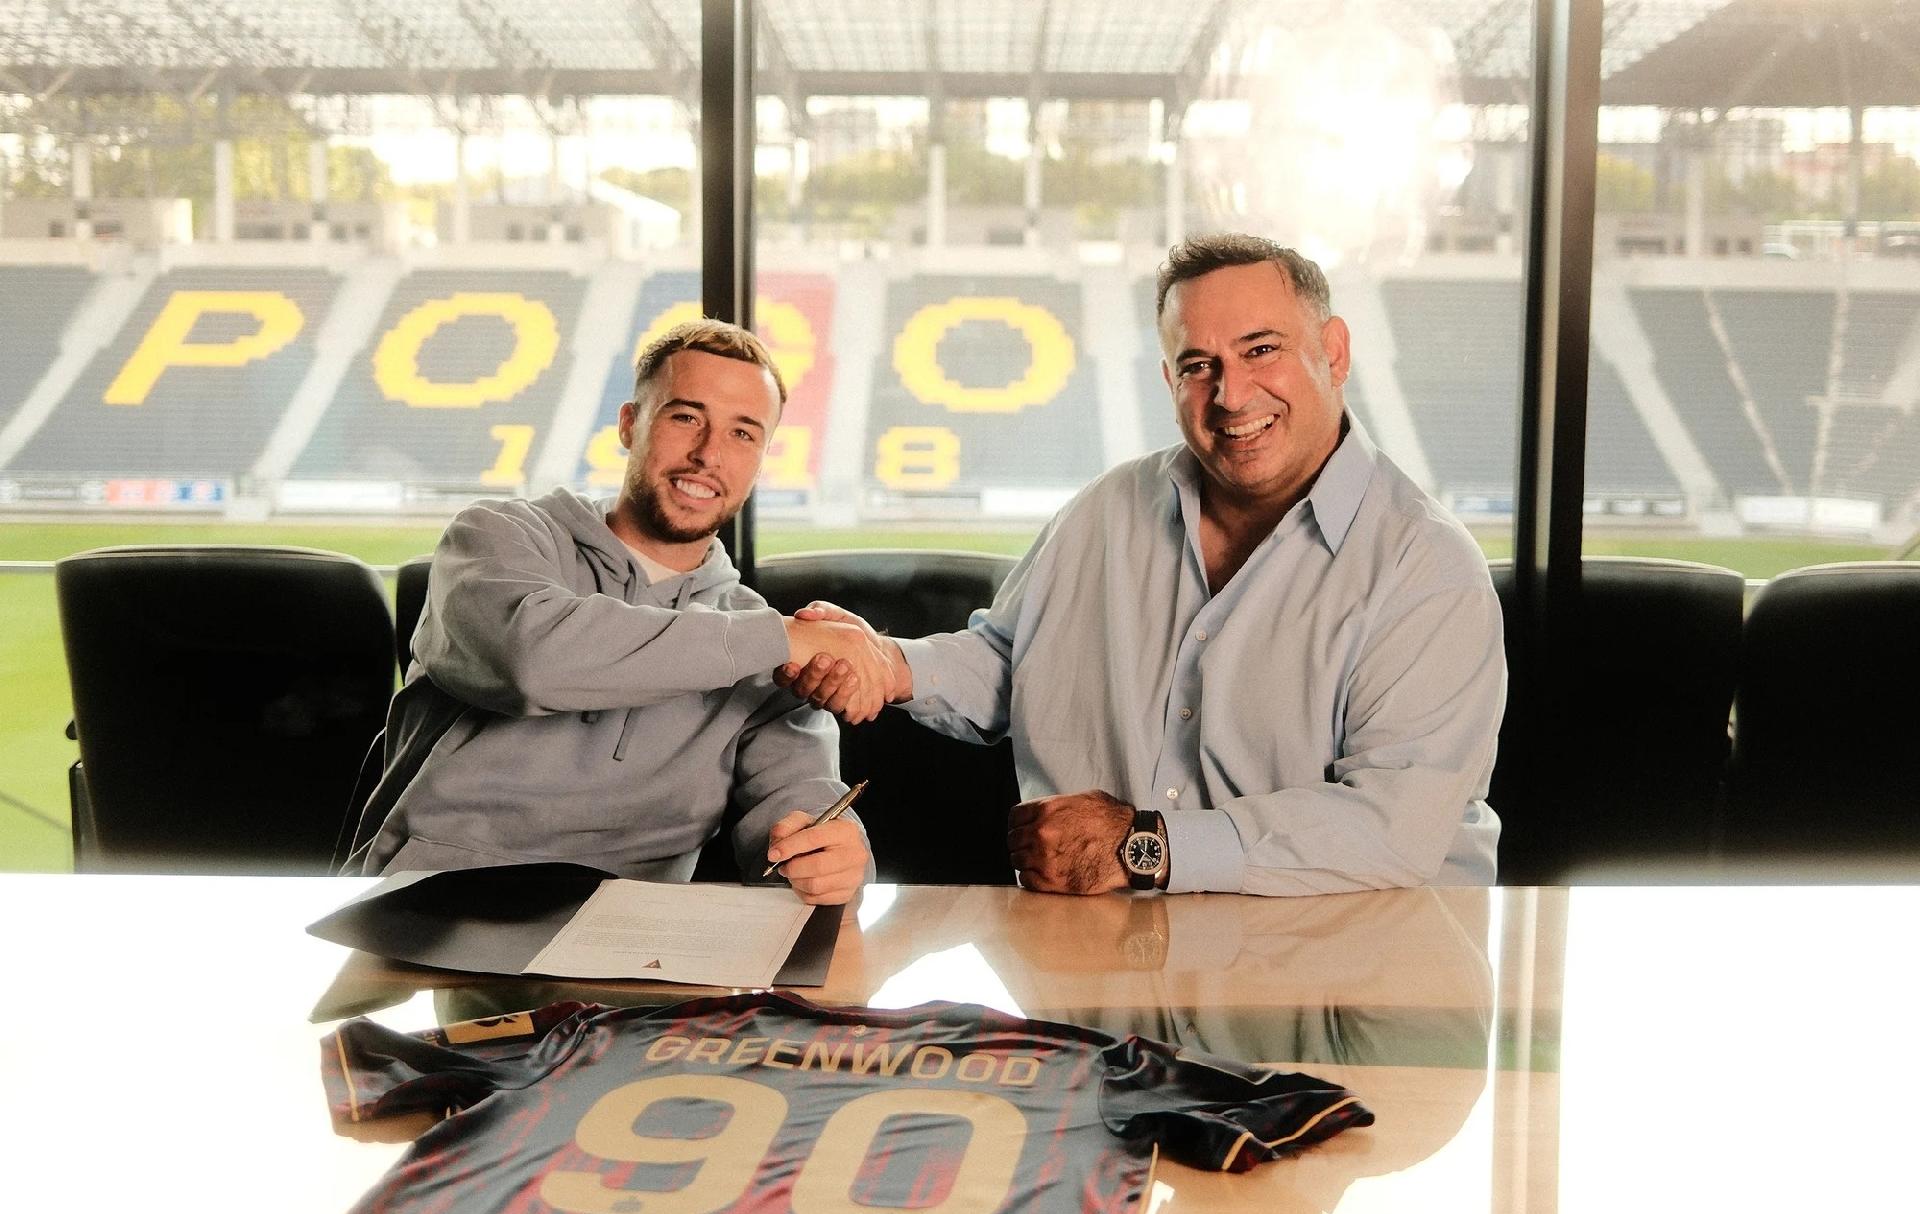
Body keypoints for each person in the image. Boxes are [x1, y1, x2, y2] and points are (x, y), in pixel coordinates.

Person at [783, 233, 1505, 896]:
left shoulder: (1427, 567)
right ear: (1169, 379)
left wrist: (1144, 847)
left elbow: (1392, 825)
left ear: (1335, 352)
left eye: (1261, 350)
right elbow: (1011, 659)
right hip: (1109, 954)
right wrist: (890, 664)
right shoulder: (1108, 510)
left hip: (1358, 959)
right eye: (1199, 365)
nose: (1231, 395)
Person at [342, 319, 891, 904]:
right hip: (425, 899)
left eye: (742, 434)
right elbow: (533, 661)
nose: (709, 454)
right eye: (686, 417)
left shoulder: (765, 643)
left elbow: (798, 799)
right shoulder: (497, 537)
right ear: (630, 424)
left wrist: (828, 853)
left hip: (626, 927)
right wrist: (776, 638)